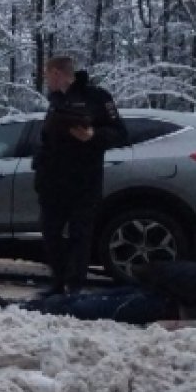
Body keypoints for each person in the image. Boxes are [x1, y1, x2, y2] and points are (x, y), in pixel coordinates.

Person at [32, 56, 128, 295]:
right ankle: (58, 282)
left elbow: (120, 133)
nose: (46, 81)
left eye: (47, 75)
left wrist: (94, 136)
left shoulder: (96, 97)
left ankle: (74, 285)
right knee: (51, 232)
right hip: (52, 180)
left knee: (80, 234)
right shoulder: (55, 101)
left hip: (84, 180)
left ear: (56, 73)